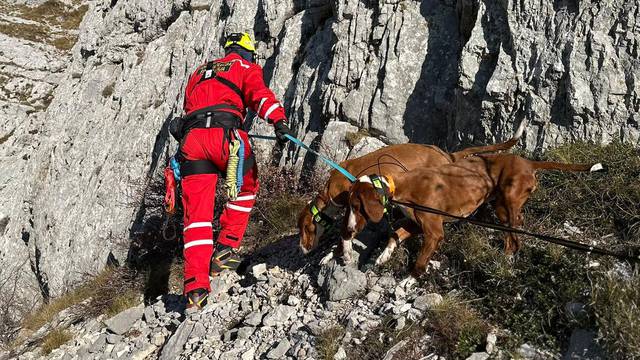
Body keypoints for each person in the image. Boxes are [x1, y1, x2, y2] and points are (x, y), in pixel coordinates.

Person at [177, 32, 292, 309]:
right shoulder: (244, 68)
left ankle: (195, 289)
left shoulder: (199, 72)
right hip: (226, 137)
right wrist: (279, 121)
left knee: (197, 217)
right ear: (248, 52)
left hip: (192, 143)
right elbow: (259, 96)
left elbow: (190, 109)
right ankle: (226, 246)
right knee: (248, 185)